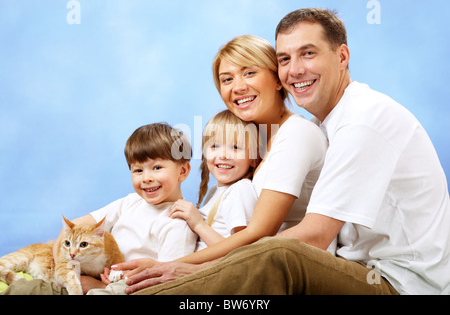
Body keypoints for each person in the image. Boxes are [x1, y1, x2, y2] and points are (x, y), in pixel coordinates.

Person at [124, 8, 450, 295]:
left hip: (398, 285)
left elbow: (313, 238)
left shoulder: (362, 120)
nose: (294, 70)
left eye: (308, 53)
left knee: (279, 255)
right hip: (356, 268)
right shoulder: (322, 125)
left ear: (342, 57)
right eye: (285, 59)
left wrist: (190, 270)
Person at [110, 35, 331, 293]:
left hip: (275, 274)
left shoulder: (296, 134)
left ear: (277, 79)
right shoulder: (252, 145)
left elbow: (257, 234)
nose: (237, 87)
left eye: (249, 72)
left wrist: (172, 266)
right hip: (249, 265)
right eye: (227, 79)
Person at [2, 123, 197, 294]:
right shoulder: (129, 203)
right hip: (75, 279)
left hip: (111, 290)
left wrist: (95, 286)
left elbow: (167, 284)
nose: (146, 178)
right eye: (138, 170)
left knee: (24, 290)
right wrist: (67, 271)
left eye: (156, 168)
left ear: (183, 171)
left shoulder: (178, 221)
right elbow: (69, 229)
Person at [169, 109, 260, 251]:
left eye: (235, 147)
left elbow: (241, 253)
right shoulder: (215, 191)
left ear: (253, 159)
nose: (223, 155)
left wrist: (199, 225)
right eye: (215, 146)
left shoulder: (240, 190)